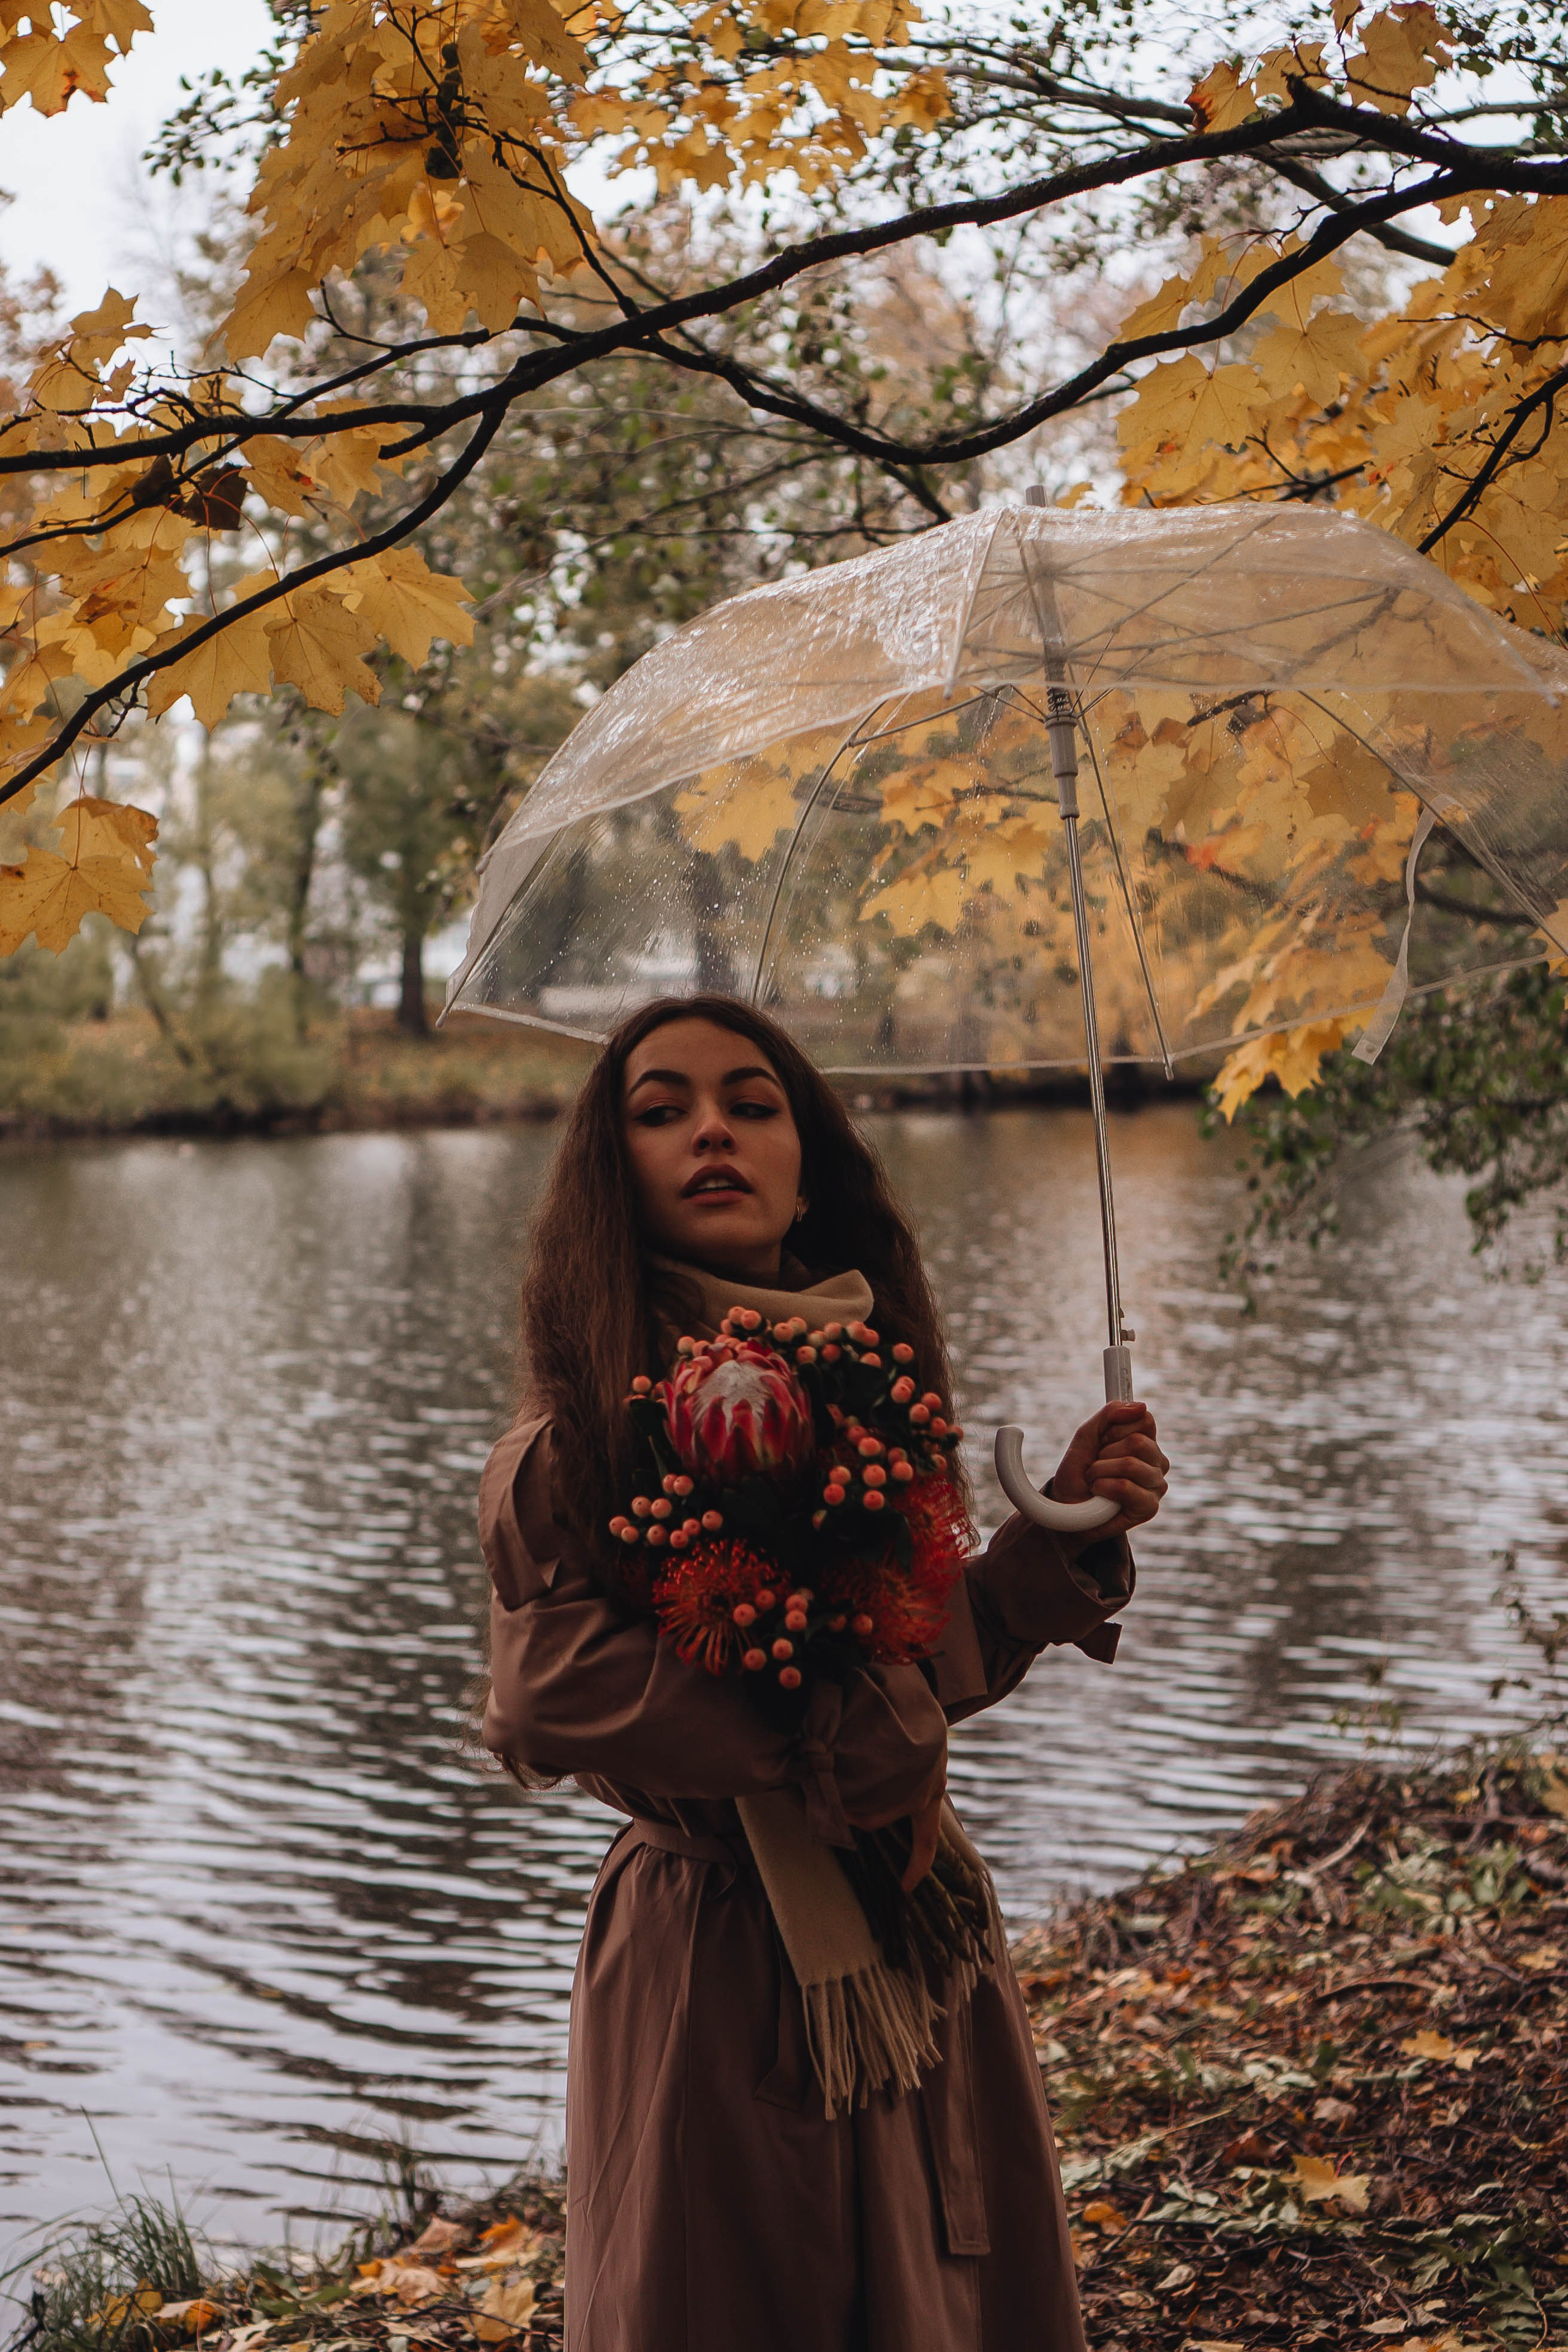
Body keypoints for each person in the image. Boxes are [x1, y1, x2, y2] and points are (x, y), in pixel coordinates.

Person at [478, 992, 1169, 2352]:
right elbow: (545, 1691)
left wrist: (1051, 1546)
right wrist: (829, 1735)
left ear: (808, 1158)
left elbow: (915, 1659)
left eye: (751, 1102)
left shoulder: (867, 1385)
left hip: (908, 1932)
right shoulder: (575, 1437)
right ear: (612, 1171)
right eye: (661, 1110)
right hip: (717, 1957)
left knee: (938, 2299)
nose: (712, 1132)